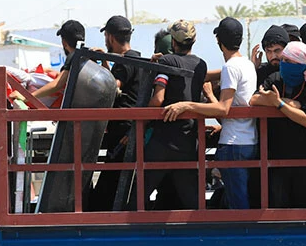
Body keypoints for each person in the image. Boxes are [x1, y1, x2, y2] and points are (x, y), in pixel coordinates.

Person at [163, 17, 257, 210]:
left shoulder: (230, 67)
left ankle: (243, 237)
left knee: (238, 203)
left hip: (234, 143)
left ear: (219, 41)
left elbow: (223, 108)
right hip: (249, 140)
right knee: (238, 197)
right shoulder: (247, 64)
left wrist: (186, 105)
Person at [250, 42, 306, 208]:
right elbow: (254, 99)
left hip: (305, 157)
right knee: (277, 205)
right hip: (276, 155)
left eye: (288, 61)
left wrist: (278, 104)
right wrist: (287, 103)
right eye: (282, 59)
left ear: (301, 65)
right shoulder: (275, 78)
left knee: (303, 205)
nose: (283, 64)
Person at [142, 20, 207, 210]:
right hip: (187, 141)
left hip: (163, 140)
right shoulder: (201, 64)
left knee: (138, 193)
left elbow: (158, 99)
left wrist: (139, 118)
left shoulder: (166, 61)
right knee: (192, 199)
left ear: (173, 42)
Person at [90, 15, 143, 210]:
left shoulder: (126, 61)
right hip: (127, 130)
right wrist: (105, 62)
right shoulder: (135, 59)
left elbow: (112, 87)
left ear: (110, 37)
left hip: (123, 132)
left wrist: (99, 63)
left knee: (108, 186)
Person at [14, 20, 86, 102]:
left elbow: (57, 84)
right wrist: (50, 70)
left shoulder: (73, 56)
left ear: (64, 42)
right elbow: (72, 78)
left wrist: (27, 97)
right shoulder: (85, 56)